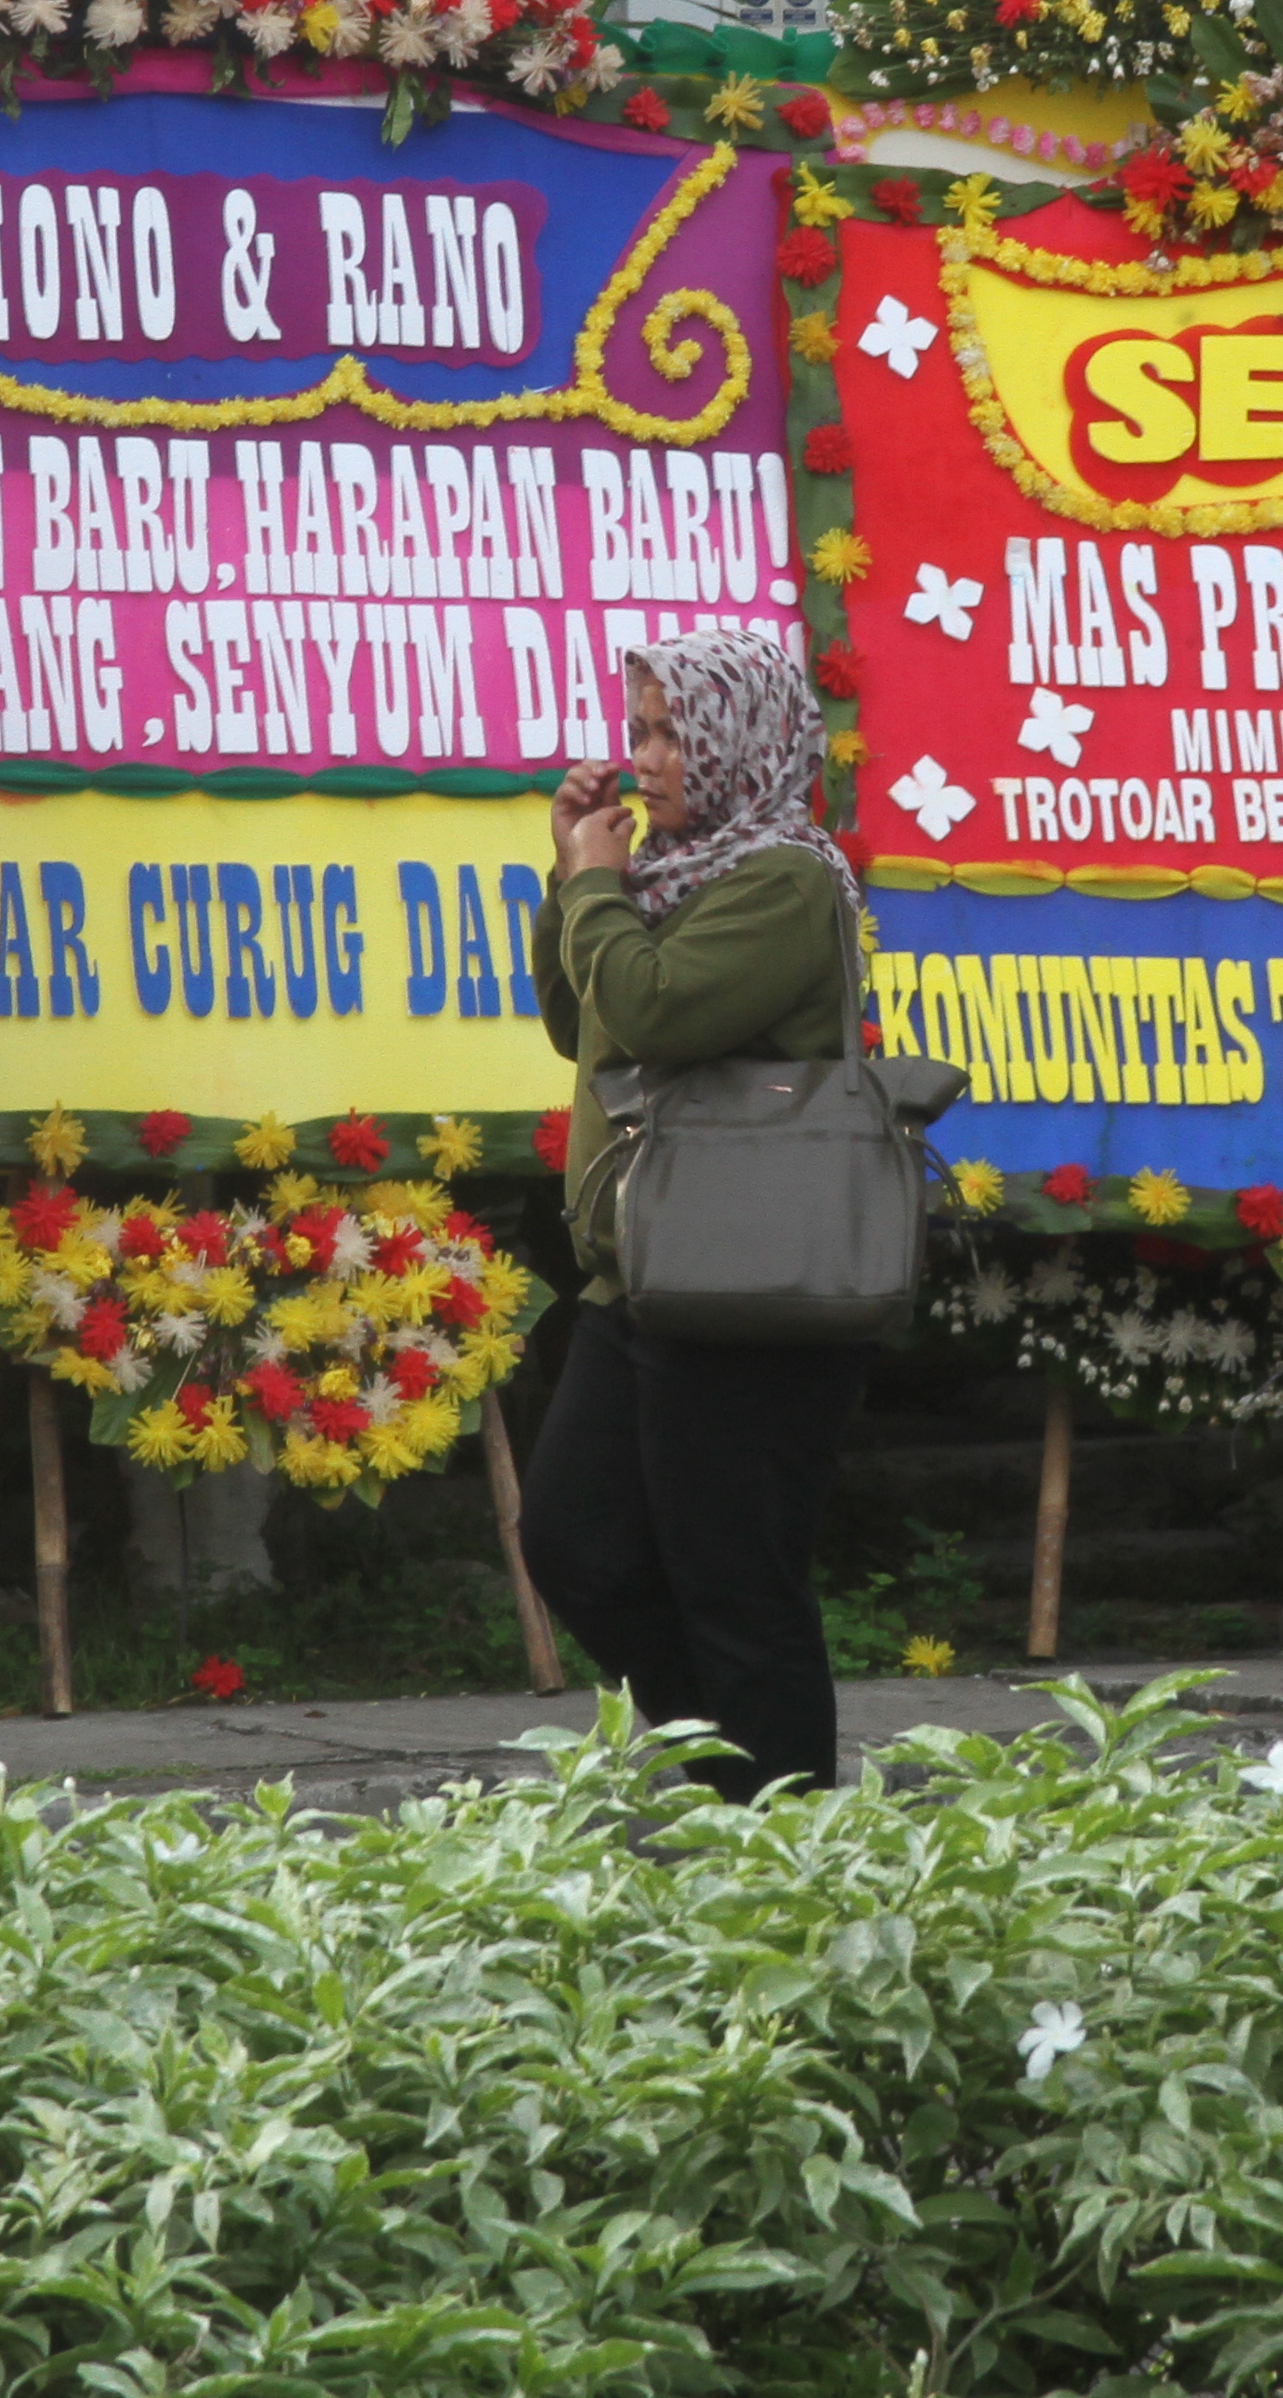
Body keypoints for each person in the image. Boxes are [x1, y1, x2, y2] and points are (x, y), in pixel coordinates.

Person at [519, 628, 872, 1797]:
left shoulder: (783, 877)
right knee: (575, 1543)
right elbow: (586, 1024)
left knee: (736, 1583)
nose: (650, 759)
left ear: (743, 737)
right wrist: (570, 874)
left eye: (675, 732)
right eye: (641, 732)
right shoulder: (673, 877)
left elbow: (655, 1012)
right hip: (651, 1273)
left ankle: (786, 1834)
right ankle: (729, 1769)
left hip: (750, 1283)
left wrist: (594, 891)